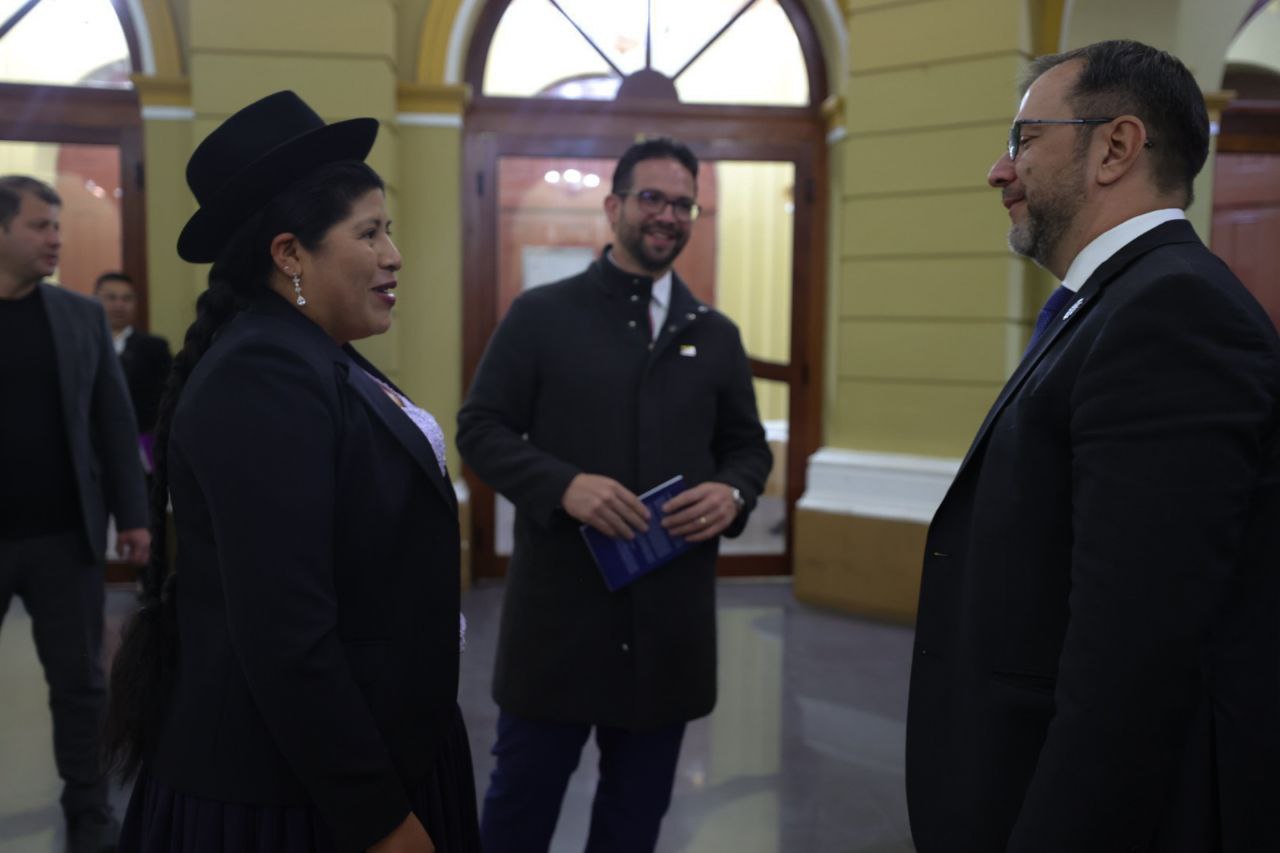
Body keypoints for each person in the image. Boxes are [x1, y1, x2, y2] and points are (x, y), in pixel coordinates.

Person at [905, 40, 1280, 853]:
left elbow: (1133, 659)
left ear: (1115, 147)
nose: (999, 171)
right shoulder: (1115, 301)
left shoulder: (1172, 312)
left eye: (1024, 140)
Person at [105, 91, 481, 853]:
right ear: (289, 254)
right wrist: (379, 817)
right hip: (291, 786)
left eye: (388, 229)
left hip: (369, 740)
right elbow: (287, 632)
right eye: (369, 232)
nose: (393, 254)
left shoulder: (315, 353)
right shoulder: (262, 377)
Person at [457, 137, 772, 853]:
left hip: (667, 629)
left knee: (634, 823)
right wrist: (563, 485)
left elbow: (748, 448)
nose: (667, 215)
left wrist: (733, 491)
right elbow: (479, 428)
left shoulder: (715, 336)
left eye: (683, 204)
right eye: (651, 198)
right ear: (613, 206)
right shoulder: (541, 315)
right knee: (517, 815)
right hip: (559, 624)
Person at [0, 174, 150, 853]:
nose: (56, 238)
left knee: (82, 684)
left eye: (59, 225)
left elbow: (114, 423)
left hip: (65, 536)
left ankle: (89, 810)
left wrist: (134, 517)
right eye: (41, 225)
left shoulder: (78, 317)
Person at [93, 271, 172, 470]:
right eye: (111, 298)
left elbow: (168, 395)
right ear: (95, 300)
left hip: (142, 444)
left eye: (127, 299)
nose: (119, 305)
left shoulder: (154, 347)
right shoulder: (81, 346)